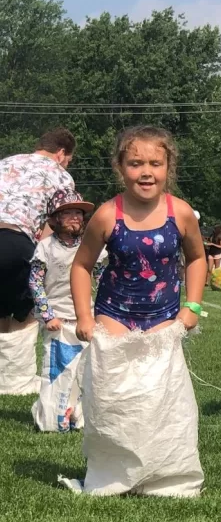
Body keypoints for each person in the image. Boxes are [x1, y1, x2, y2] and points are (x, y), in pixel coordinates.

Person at [68, 125, 206, 497]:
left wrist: (192, 306)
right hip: (114, 315)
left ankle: (166, 474)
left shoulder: (181, 213)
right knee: (116, 399)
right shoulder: (105, 215)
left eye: (155, 163)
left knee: (160, 398)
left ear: (168, 167)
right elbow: (81, 266)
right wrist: (84, 316)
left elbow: (196, 259)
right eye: (135, 163)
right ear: (120, 167)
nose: (146, 171)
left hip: (164, 319)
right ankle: (114, 471)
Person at [29, 189, 105, 431]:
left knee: (88, 372)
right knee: (57, 372)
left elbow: (103, 278)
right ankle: (53, 419)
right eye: (68, 212)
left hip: (87, 319)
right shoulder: (45, 248)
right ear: (54, 219)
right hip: (58, 322)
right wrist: (47, 315)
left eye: (78, 213)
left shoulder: (90, 246)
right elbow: (35, 282)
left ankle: (81, 418)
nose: (75, 217)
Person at [0, 128, 76, 335]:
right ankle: (17, 364)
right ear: (61, 153)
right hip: (15, 239)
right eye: (68, 160)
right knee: (25, 318)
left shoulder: (7, 162)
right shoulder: (61, 176)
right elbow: (56, 228)